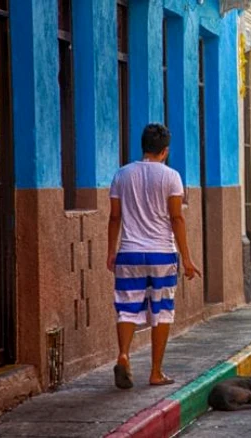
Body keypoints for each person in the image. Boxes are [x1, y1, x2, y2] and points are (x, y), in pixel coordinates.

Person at [107, 123, 202, 390]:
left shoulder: (121, 175)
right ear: (165, 150)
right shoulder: (171, 177)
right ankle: (156, 372)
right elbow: (176, 218)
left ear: (143, 146)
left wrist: (110, 251)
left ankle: (124, 354)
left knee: (126, 307)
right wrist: (187, 258)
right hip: (162, 254)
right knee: (161, 312)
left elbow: (115, 217)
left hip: (129, 253)